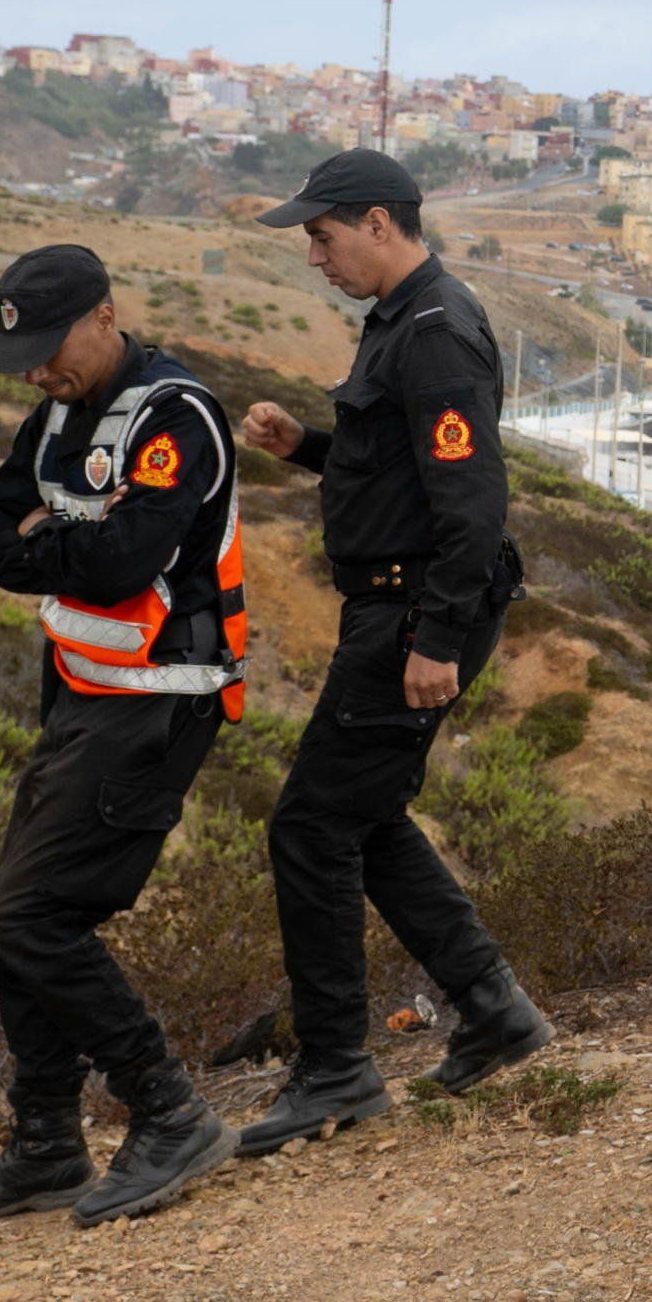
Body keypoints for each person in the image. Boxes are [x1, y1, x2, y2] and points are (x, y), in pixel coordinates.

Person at [234, 151, 550, 1152]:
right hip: (397, 605)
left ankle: (334, 1068)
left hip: (415, 612)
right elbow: (399, 464)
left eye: (322, 237)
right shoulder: (401, 324)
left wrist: (439, 638)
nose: (315, 257)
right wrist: (310, 448)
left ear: (378, 222)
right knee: (360, 818)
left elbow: (472, 502)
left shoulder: (437, 330)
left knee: (310, 828)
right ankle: (493, 1009)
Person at [0, 246, 245, 1228]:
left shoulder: (173, 418)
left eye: (48, 346)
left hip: (161, 695)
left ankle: (168, 1109)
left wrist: (45, 547)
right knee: (16, 915)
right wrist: (56, 547)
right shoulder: (58, 410)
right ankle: (48, 1141)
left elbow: (121, 562)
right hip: (78, 689)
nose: (34, 370)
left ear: (105, 316)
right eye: (20, 352)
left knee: (33, 916)